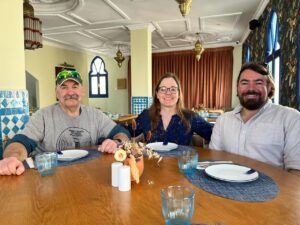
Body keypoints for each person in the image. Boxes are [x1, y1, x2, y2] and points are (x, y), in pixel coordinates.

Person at [0, 70, 130, 176]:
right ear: (57, 93)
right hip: (49, 179)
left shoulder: (95, 115)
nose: (70, 92)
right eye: (64, 87)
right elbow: (21, 141)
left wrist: (117, 142)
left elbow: (122, 133)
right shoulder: (43, 115)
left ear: (82, 91)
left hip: (87, 175)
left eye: (75, 86)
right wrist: (12, 158)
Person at [209, 62, 300, 175]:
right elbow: (214, 160)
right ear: (237, 88)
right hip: (225, 185)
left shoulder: (291, 118)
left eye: (258, 82)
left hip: (272, 191)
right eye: (244, 82)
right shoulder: (222, 120)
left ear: (269, 87)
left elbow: (296, 171)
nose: (251, 88)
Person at [126, 72, 213, 145]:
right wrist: (118, 138)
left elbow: (213, 133)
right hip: (151, 165)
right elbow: (126, 131)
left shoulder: (190, 117)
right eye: (163, 89)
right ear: (157, 94)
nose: (168, 93)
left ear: (179, 94)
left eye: (173, 89)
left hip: (180, 165)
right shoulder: (146, 115)